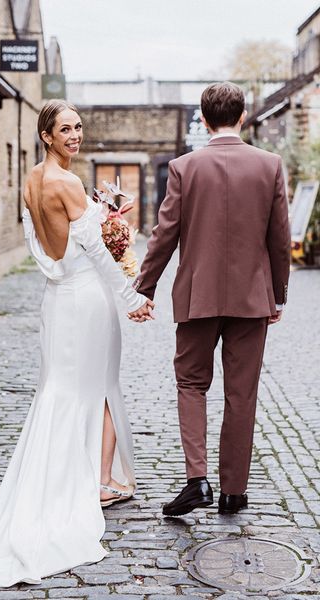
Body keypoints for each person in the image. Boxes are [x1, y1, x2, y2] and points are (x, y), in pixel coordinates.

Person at [0, 100, 153, 587]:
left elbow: (43, 249)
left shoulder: (31, 179)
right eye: (65, 129)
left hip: (57, 298)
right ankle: (98, 483)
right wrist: (133, 298)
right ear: (46, 135)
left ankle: (78, 477)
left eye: (79, 126)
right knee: (101, 386)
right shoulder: (68, 183)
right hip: (88, 298)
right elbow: (95, 253)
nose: (76, 134)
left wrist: (77, 252)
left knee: (61, 388)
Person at [129, 82, 291, 516]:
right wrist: (277, 295)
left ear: (202, 119)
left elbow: (164, 235)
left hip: (197, 297)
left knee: (191, 384)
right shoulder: (270, 164)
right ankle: (233, 492)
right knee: (242, 394)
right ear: (243, 116)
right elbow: (280, 239)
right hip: (251, 299)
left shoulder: (184, 167)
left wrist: (144, 287)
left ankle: (197, 480)